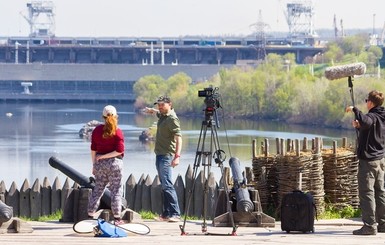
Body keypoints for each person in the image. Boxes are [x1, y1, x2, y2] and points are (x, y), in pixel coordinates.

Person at [346, 90, 385, 235]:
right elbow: (370, 127)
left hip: (369, 162)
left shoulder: (372, 116)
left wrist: (355, 110)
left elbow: (367, 120)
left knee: (367, 192)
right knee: (380, 192)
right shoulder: (382, 116)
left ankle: (369, 226)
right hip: (380, 160)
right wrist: (359, 126)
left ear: (370, 102)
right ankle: (383, 224)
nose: (365, 102)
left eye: (366, 100)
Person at [144, 95, 182, 222]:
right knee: (164, 185)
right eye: (158, 105)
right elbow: (159, 113)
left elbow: (179, 138)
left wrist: (177, 157)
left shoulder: (172, 119)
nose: (160, 107)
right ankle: (166, 214)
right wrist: (152, 111)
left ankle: (175, 213)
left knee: (167, 184)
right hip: (159, 155)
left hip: (166, 155)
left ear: (169, 104)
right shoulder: (163, 115)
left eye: (162, 105)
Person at [87, 105, 125, 225]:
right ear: (116, 116)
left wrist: (95, 164)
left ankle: (90, 215)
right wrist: (105, 156)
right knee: (116, 190)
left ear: (103, 117)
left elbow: (93, 149)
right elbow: (119, 151)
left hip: (100, 164)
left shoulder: (97, 131)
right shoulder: (118, 132)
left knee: (98, 189)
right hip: (115, 164)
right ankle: (117, 218)